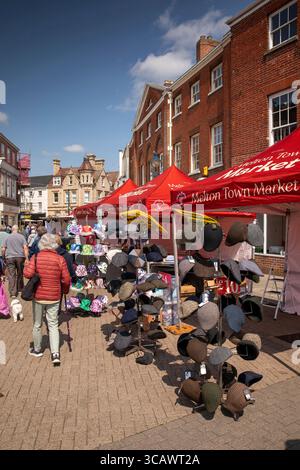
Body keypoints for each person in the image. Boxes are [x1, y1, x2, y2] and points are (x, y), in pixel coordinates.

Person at [24, 233, 71, 365]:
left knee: (37, 324)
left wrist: (29, 266)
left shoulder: (36, 257)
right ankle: (55, 353)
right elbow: (66, 279)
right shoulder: (59, 259)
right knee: (53, 324)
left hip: (39, 296)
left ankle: (38, 349)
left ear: (41, 244)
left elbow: (27, 274)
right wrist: (65, 290)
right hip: (54, 296)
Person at [2, 225, 29, 299]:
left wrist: (3, 256)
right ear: (18, 230)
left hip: (10, 257)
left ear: (12, 230)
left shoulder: (7, 237)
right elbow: (25, 248)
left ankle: (13, 293)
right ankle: (20, 289)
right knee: (20, 273)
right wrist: (27, 258)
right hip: (20, 257)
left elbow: (3, 249)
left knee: (11, 275)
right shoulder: (21, 237)